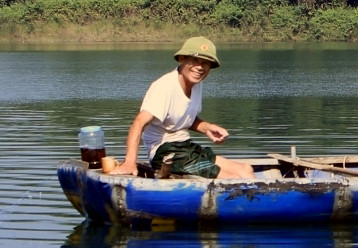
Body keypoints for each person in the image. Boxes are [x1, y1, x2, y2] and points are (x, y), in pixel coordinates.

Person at [106, 37, 254, 180]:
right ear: (182, 59)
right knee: (232, 179)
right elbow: (139, 123)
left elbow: (185, 119)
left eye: (205, 63)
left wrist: (208, 128)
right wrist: (130, 162)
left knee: (246, 170)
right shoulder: (165, 87)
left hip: (185, 146)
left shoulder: (196, 83)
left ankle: (255, 203)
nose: (200, 67)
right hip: (165, 152)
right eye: (195, 60)